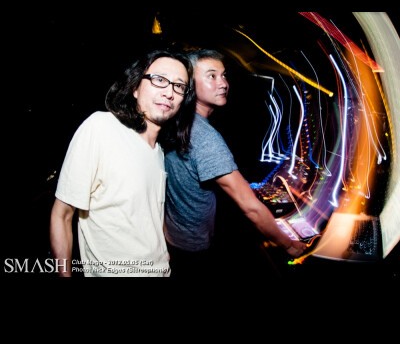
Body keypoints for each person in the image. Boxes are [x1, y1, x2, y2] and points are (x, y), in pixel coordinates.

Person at [49, 48, 196, 277]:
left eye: (179, 86)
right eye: (159, 80)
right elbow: (62, 215)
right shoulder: (101, 128)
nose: (169, 92)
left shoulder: (158, 152)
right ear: (135, 87)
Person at [164, 48, 308, 278]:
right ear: (189, 84)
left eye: (223, 75)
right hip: (194, 249)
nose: (223, 83)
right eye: (211, 76)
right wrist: (288, 244)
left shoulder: (176, 121)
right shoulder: (206, 139)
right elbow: (250, 207)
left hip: (173, 236)